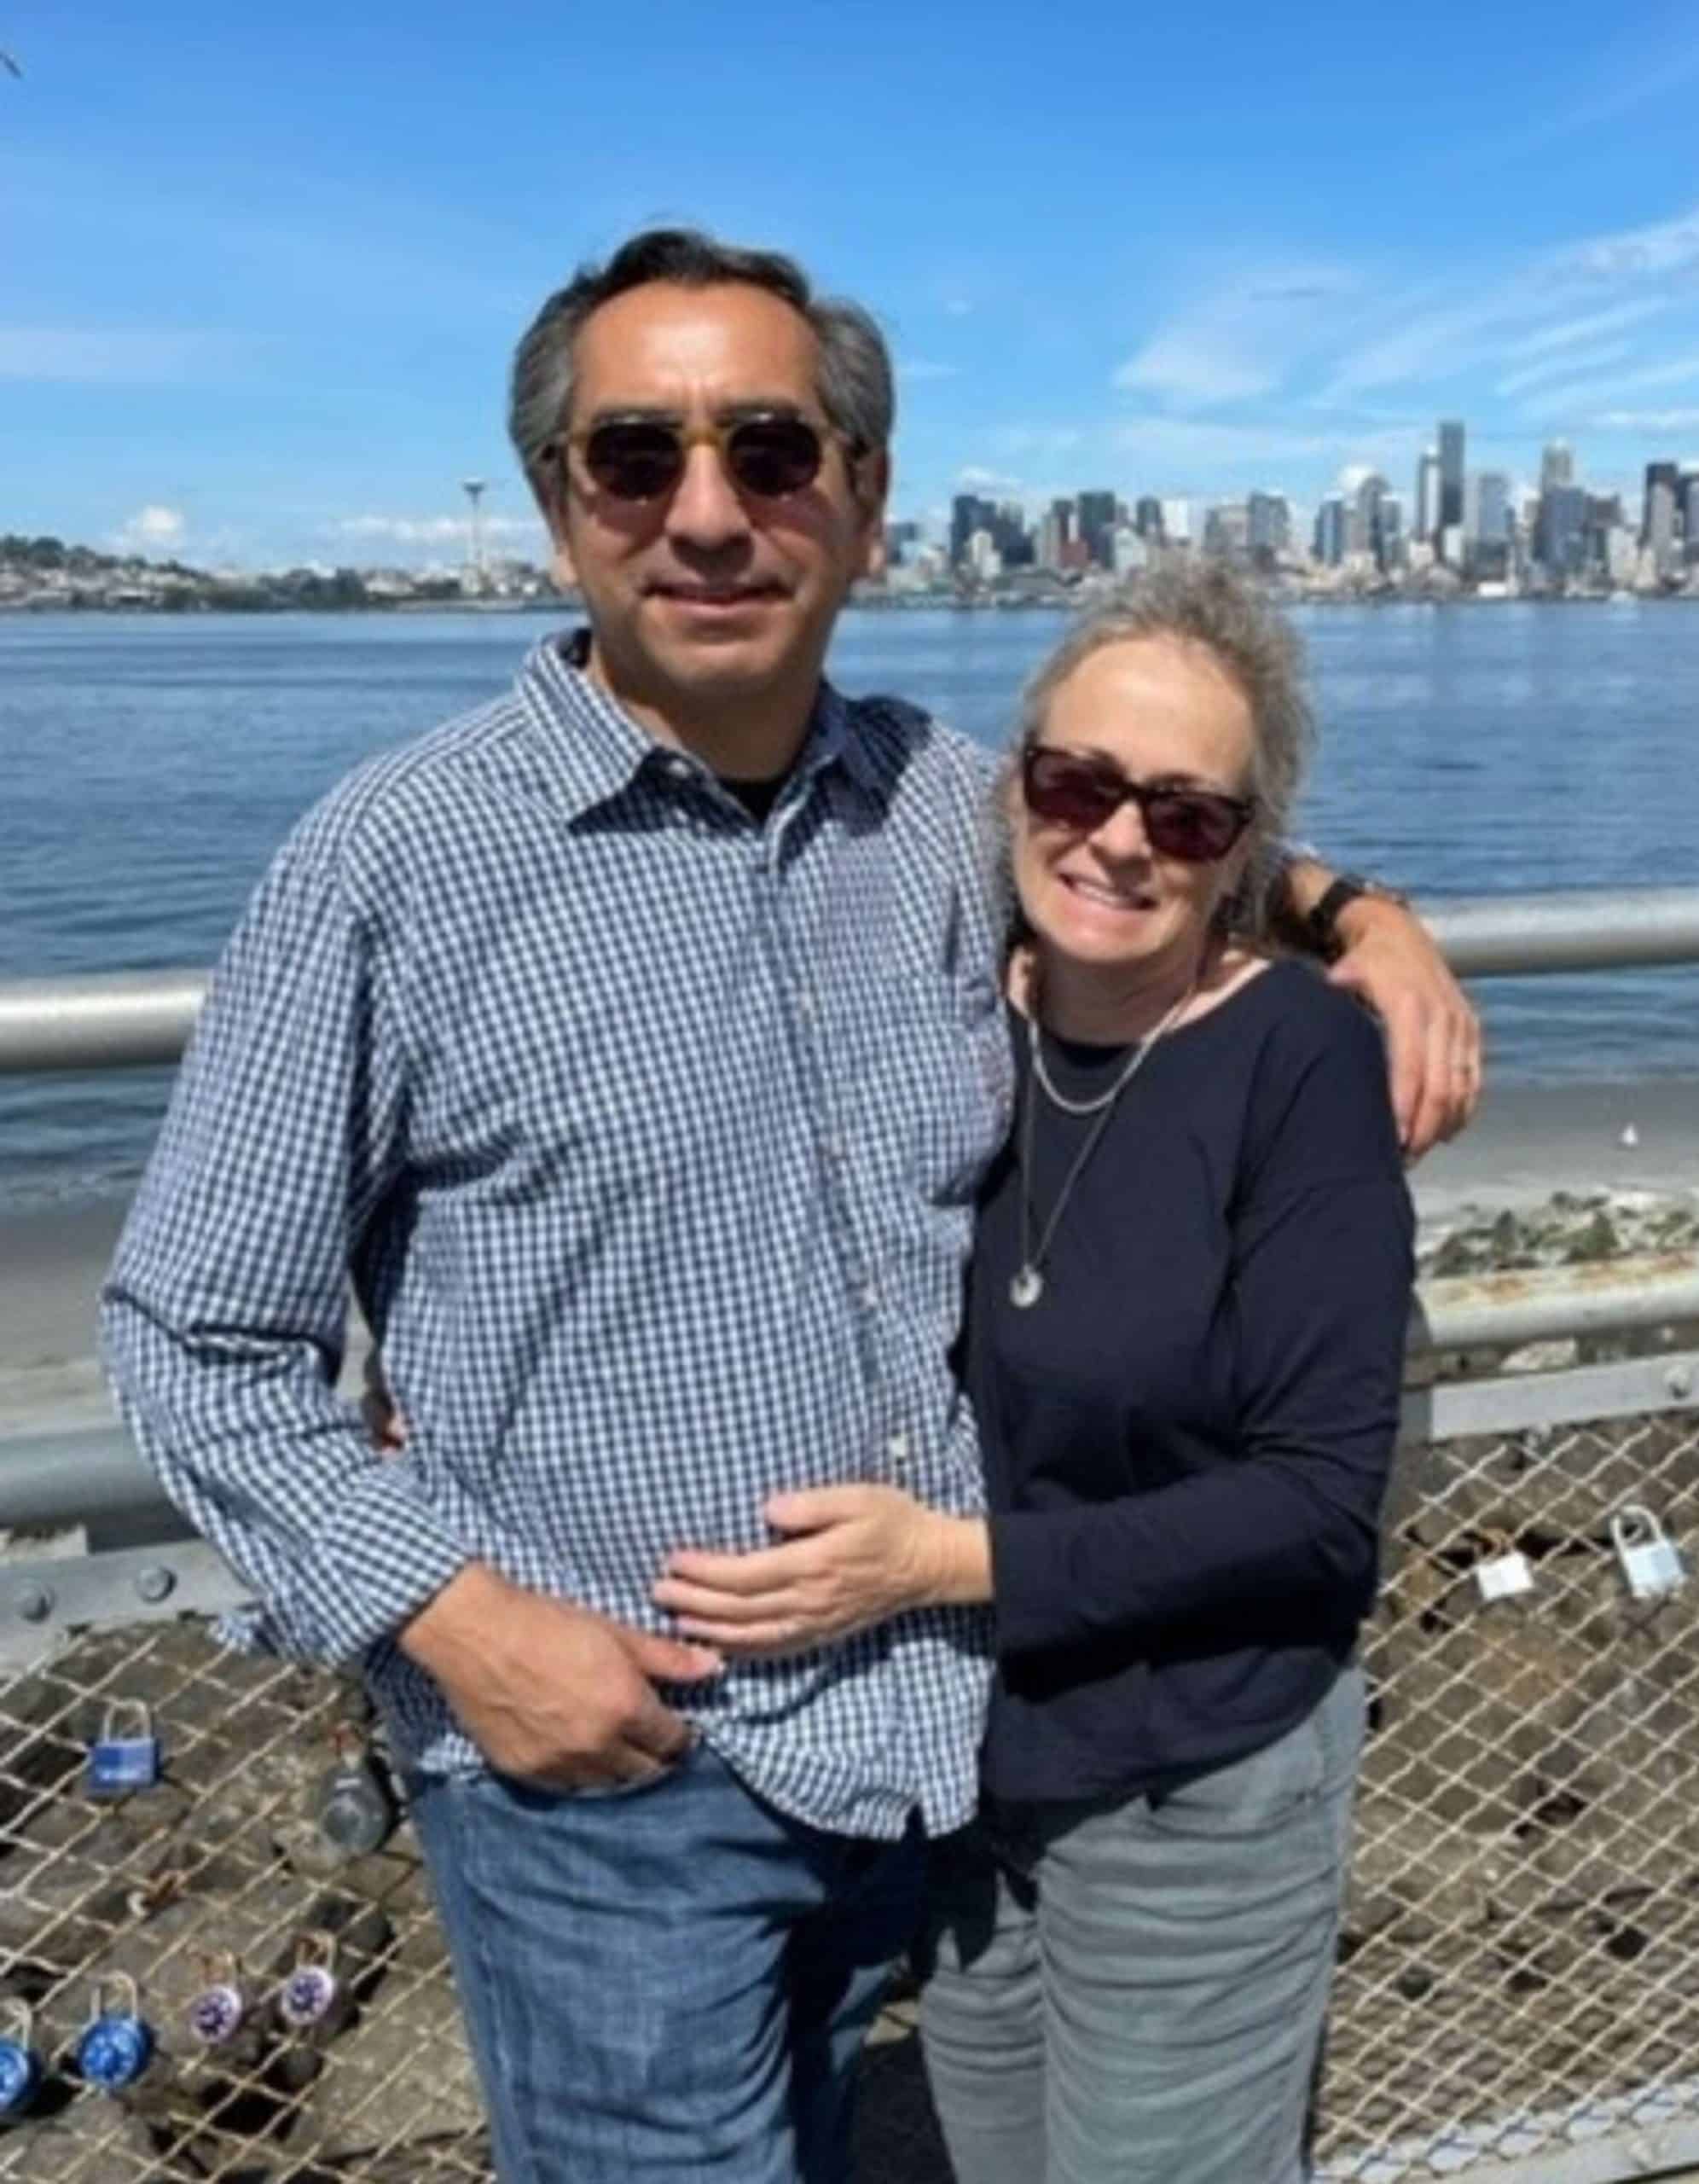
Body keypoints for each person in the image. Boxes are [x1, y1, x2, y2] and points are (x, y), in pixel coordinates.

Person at [101, 227, 1473, 2184]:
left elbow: (1145, 813)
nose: (709, 512)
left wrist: (1359, 915)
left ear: (863, 496)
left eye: (769, 448)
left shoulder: (933, 799)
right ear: (557, 506)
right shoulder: (392, 862)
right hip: (609, 1771)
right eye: (636, 458)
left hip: (923, 1751)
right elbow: (192, 1337)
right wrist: (463, 1620)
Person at [652, 566, 1413, 2183]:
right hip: (966, 1765)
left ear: (1243, 848)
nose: (1121, 839)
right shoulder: (956, 1003)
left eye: (1189, 817)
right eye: (1077, 785)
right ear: (1014, 788)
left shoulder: (1299, 1059)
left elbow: (1319, 1505)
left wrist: (941, 1563)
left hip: (1192, 1770)